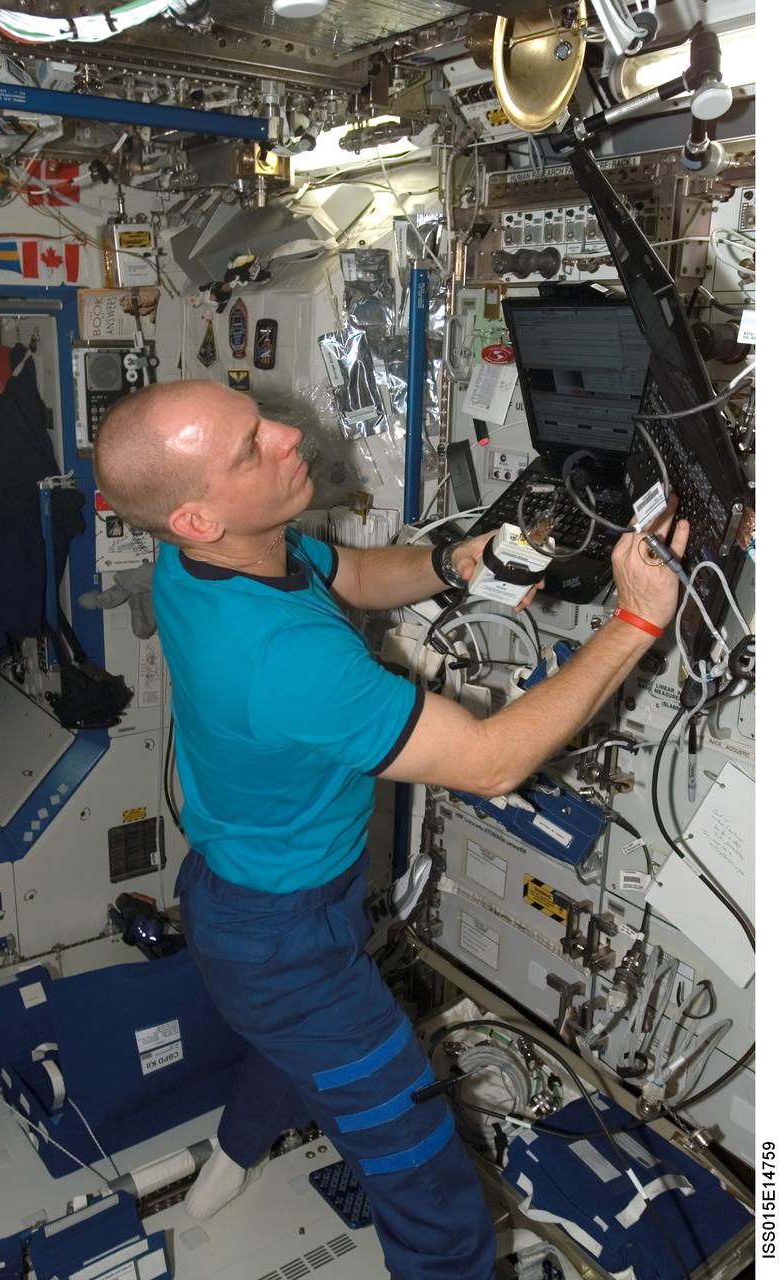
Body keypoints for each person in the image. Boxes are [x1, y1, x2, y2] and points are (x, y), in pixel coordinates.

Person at [94, 379, 688, 1280]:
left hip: (258, 899)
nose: (290, 435)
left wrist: (464, 559)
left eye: (260, 422)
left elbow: (359, 579)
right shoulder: (282, 660)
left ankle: (230, 1157)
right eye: (254, 448)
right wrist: (638, 619)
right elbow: (491, 761)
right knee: (421, 1171)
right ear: (198, 515)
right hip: (279, 940)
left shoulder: (214, 556)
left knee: (288, 1044)